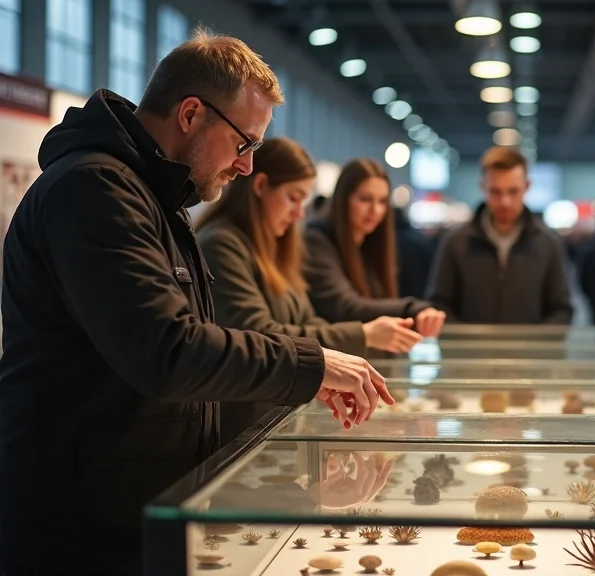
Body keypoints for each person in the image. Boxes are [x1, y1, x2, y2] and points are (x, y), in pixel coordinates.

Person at [0, 31, 392, 576]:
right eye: (244, 144)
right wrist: (314, 363)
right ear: (190, 114)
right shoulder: (95, 191)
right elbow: (168, 351)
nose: (248, 166)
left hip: (129, 513)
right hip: (80, 532)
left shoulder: (152, 198)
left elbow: (190, 361)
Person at [196, 137, 424, 441]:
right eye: (294, 198)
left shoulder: (273, 248)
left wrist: (332, 371)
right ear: (261, 186)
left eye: (304, 201)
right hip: (242, 429)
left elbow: (307, 320)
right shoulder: (222, 244)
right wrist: (361, 337)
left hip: (275, 417)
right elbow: (257, 333)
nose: (300, 213)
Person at [426, 146, 574, 324]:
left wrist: (535, 346)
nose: (505, 202)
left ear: (526, 187)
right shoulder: (456, 242)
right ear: (483, 187)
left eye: (513, 191)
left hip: (530, 350)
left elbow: (561, 309)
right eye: (496, 192)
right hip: (471, 350)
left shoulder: (548, 243)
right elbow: (440, 303)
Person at [303, 158, 446, 337]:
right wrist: (410, 308)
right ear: (342, 199)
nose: (375, 210)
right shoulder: (316, 240)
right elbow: (345, 306)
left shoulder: (371, 245)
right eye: (365, 199)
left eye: (382, 201)